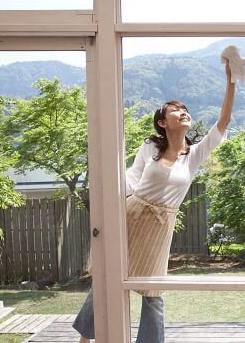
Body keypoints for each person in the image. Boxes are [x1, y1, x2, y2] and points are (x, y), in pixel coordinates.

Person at [74, 61, 236, 343]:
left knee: (154, 292)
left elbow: (223, 123)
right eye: (175, 110)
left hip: (161, 227)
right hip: (131, 215)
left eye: (185, 109)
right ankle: (85, 341)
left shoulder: (195, 155)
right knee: (106, 280)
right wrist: (106, 206)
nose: (183, 112)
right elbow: (131, 177)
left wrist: (231, 80)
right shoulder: (150, 146)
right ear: (162, 122)